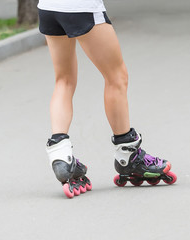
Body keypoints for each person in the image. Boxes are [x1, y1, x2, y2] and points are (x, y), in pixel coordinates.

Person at [38, 0, 177, 198]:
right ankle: (127, 153)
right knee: (116, 77)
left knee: (64, 81)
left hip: (49, 7)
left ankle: (60, 154)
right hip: (81, 8)